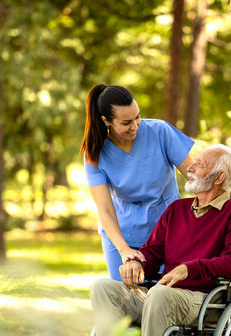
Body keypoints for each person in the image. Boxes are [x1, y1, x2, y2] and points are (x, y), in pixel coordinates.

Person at [90, 144, 231, 336]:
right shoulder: (176, 210)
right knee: (102, 288)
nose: (190, 168)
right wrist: (137, 263)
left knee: (159, 294)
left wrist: (189, 269)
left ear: (219, 177)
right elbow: (153, 252)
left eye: (199, 164)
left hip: (205, 300)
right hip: (161, 295)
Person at [81, 84, 195, 281]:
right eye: (126, 122)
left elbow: (197, 179)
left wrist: (230, 208)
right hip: (121, 235)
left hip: (166, 234)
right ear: (106, 121)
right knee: (123, 303)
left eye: (137, 117)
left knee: (162, 300)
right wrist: (124, 249)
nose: (134, 126)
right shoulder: (94, 153)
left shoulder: (160, 132)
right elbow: (105, 210)